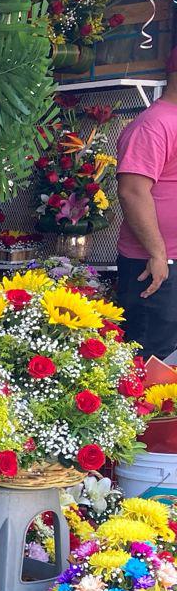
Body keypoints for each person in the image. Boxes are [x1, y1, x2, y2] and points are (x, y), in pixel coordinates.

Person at [117, 47, 177, 360]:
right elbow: (132, 191)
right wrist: (157, 254)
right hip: (154, 266)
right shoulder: (154, 125)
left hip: (169, 262)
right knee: (152, 359)